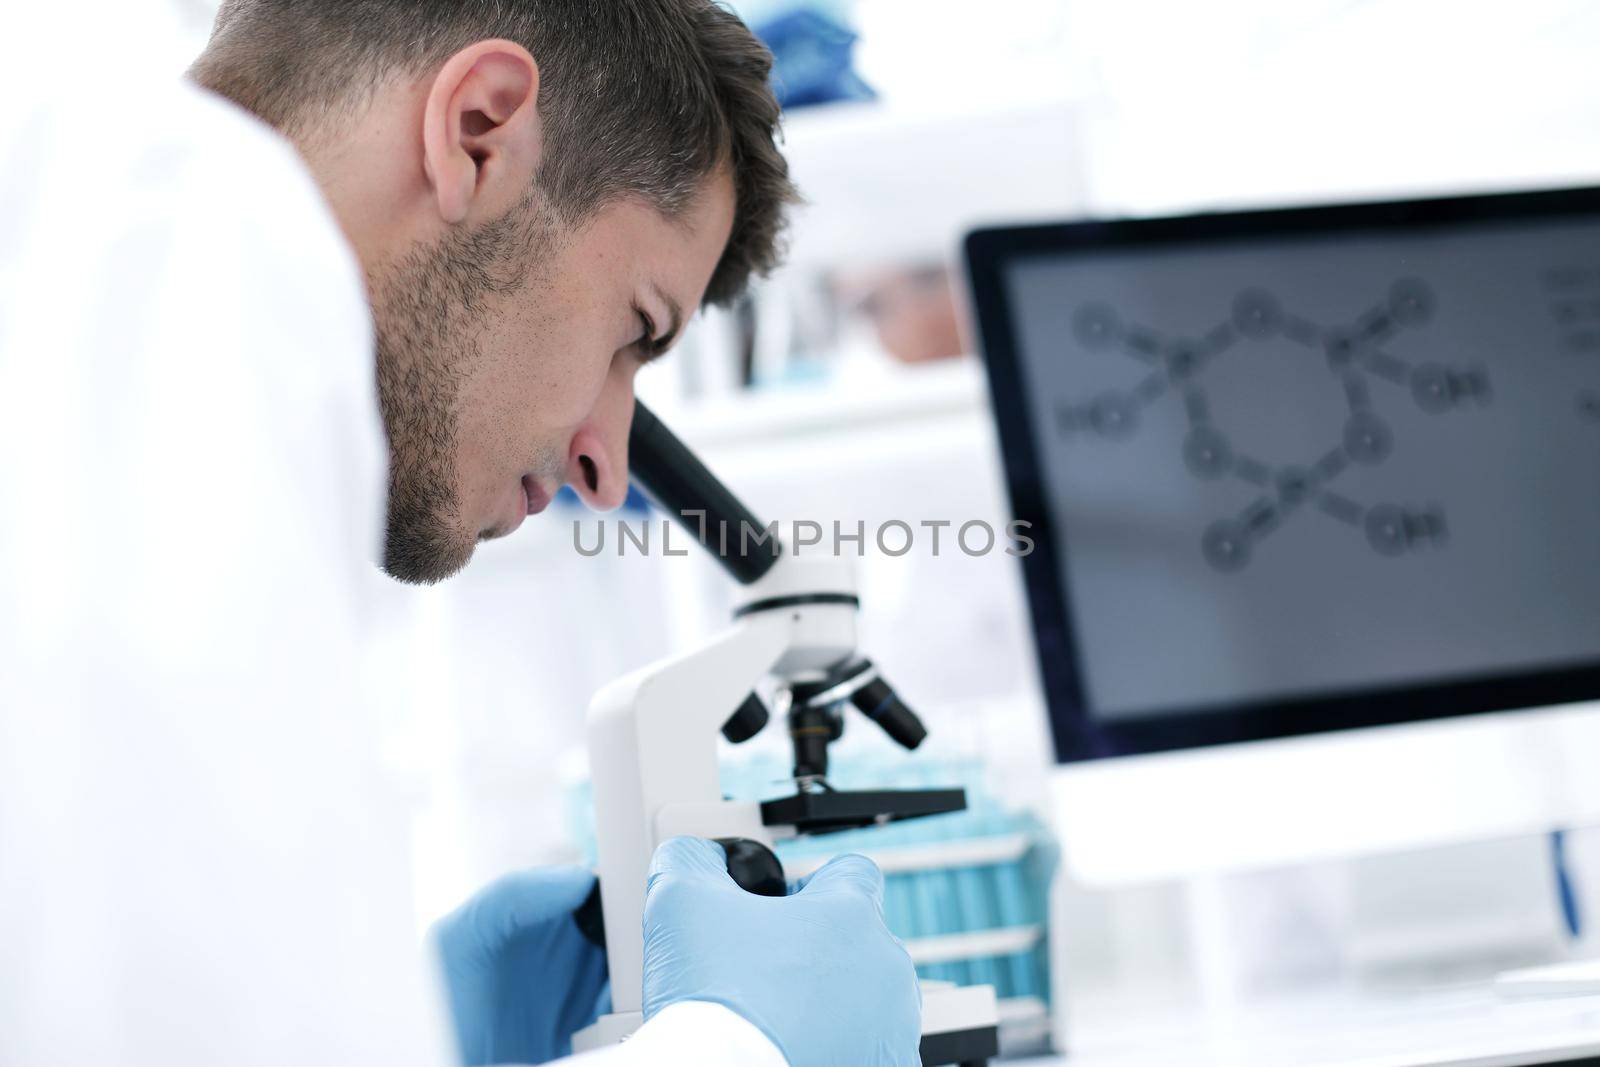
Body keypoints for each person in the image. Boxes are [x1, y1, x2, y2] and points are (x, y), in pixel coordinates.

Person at [0, 2, 922, 1065]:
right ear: (478, 131)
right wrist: (735, 1044)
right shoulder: (181, 254)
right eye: (633, 329)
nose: (606, 465)